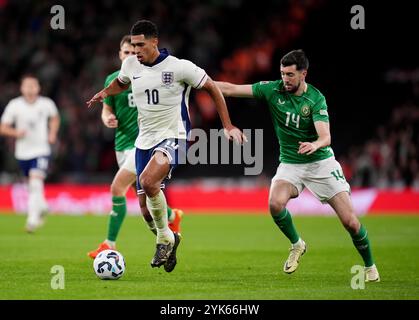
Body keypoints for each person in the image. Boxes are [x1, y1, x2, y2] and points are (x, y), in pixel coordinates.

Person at [87, 20, 246, 272]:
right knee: (145, 211)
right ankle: (171, 237)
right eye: (133, 45)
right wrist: (105, 93)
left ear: (154, 42)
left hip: (174, 136)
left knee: (150, 182)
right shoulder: (131, 65)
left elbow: (212, 87)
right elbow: (122, 81)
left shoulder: (180, 67)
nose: (136, 50)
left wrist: (227, 125)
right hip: (144, 141)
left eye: (140, 45)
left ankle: (163, 239)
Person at [216, 49, 380, 282]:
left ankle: (370, 266)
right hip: (291, 163)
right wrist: (201, 81)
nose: (285, 79)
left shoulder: (315, 98)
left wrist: (315, 144)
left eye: (290, 74)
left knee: (350, 222)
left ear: (304, 74)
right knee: (275, 204)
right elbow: (231, 89)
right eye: (283, 73)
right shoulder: (272, 89)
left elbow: (326, 137)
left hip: (320, 163)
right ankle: (297, 244)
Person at [88, 35, 184, 259]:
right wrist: (107, 118)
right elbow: (107, 109)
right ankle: (171, 219)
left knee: (116, 188)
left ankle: (109, 244)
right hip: (121, 145)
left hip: (143, 144)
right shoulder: (113, 79)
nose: (130, 56)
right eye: (126, 53)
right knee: (145, 203)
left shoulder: (149, 76)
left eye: (133, 52)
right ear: (120, 55)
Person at [0, 74, 60, 233]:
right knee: (32, 186)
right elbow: (3, 127)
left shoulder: (46, 104)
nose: (30, 89)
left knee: (35, 181)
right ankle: (43, 206)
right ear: (22, 88)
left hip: (41, 150)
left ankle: (32, 220)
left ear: (38, 87)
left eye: (33, 85)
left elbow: (55, 118)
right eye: (27, 85)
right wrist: (15, 133)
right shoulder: (15, 105)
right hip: (22, 153)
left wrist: (52, 133)